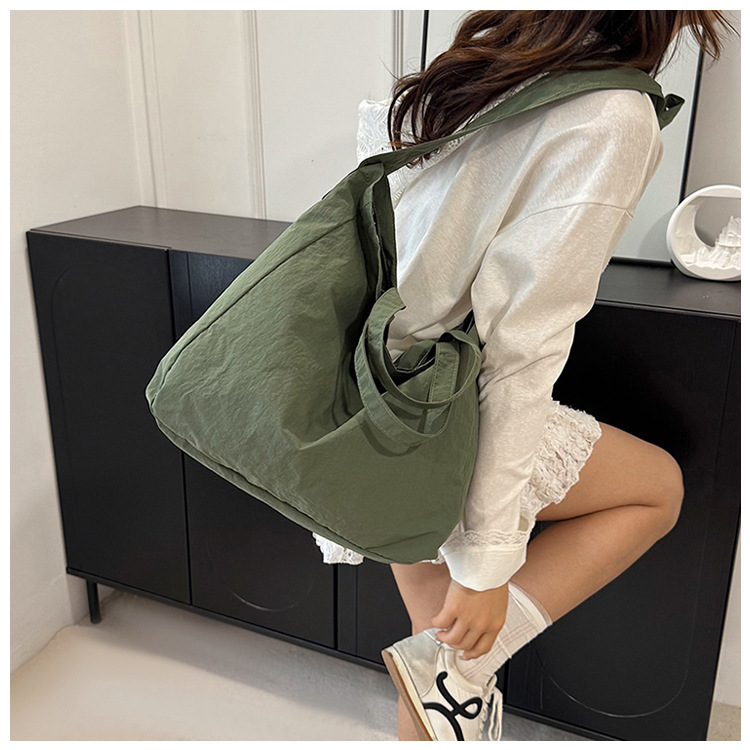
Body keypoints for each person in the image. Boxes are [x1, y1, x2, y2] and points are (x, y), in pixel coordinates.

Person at [312, 10, 737, 741]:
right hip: (437, 412)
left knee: (440, 662)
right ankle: (468, 664)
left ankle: (456, 676)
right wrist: (487, 569)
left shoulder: (470, 71)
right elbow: (521, 353)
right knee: (655, 490)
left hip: (363, 396)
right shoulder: (610, 112)